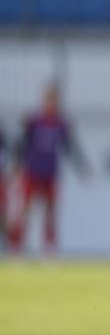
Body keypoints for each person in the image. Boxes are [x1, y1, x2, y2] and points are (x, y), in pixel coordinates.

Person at [8, 85, 89, 256]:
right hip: (32, 170)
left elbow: (70, 147)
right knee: (25, 210)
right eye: (48, 100)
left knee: (51, 212)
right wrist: (16, 164)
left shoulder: (61, 123)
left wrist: (81, 166)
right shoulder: (33, 121)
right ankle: (17, 247)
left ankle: (49, 249)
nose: (51, 104)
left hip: (50, 172)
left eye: (54, 100)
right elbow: (22, 143)